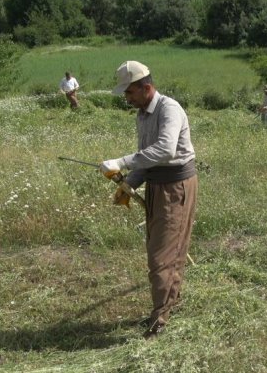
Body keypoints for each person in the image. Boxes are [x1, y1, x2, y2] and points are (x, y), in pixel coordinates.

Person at [99, 61, 198, 339]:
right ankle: (168, 304)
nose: (126, 98)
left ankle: (159, 321)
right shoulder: (142, 115)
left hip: (176, 186)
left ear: (146, 87)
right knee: (163, 250)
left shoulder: (170, 109)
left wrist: (121, 162)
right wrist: (129, 182)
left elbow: (165, 151)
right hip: (156, 186)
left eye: (129, 92)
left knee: (161, 258)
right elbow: (147, 156)